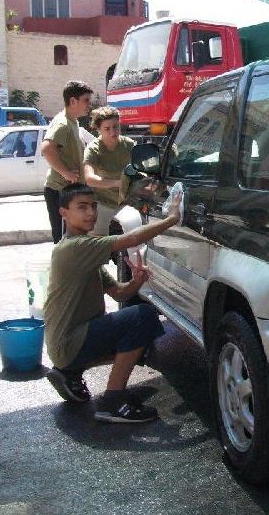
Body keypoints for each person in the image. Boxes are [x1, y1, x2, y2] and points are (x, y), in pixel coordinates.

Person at [43, 182, 182, 423]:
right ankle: (113, 401)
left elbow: (119, 293)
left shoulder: (84, 250)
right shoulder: (73, 247)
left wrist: (137, 281)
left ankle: (71, 370)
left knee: (142, 339)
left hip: (69, 344)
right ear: (63, 212)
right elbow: (130, 238)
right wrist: (171, 219)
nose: (91, 213)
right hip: (69, 343)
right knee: (144, 317)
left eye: (93, 206)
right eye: (82, 207)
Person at [41, 81, 93, 243]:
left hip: (69, 191)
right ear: (73, 101)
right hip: (59, 191)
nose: (89, 105)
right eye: (86, 100)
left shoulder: (73, 121)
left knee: (73, 240)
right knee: (64, 242)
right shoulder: (63, 124)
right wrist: (66, 173)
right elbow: (46, 149)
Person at [83, 107, 135, 236]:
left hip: (127, 204)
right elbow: (89, 179)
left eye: (116, 127)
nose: (113, 132)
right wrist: (118, 183)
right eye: (107, 128)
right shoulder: (93, 149)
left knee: (139, 239)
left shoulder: (129, 145)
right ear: (99, 130)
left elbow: (143, 167)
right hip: (102, 204)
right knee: (98, 243)